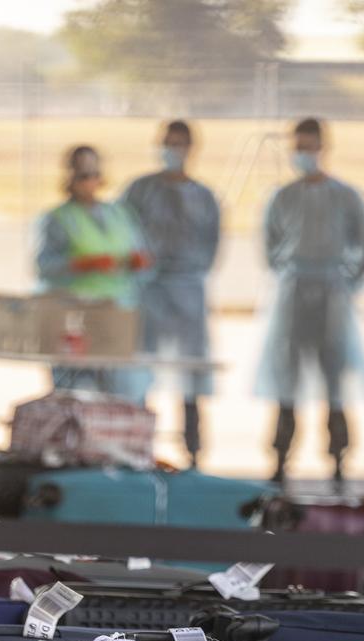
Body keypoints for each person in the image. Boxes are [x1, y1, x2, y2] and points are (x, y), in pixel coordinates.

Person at [256, 117, 364, 485]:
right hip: (292, 298)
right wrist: (296, 276)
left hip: (333, 297)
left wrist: (342, 284)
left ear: (324, 148)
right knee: (286, 381)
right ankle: (280, 459)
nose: (304, 155)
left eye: (310, 147)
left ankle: (339, 459)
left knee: (335, 382)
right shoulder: (282, 197)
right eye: (299, 147)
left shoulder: (347, 197)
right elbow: (271, 248)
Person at [122, 120, 220, 467]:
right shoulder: (140, 190)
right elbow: (124, 234)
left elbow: (211, 246)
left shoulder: (204, 197)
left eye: (180, 144)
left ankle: (193, 451)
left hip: (188, 293)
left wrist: (187, 275)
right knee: (139, 372)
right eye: (168, 143)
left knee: (190, 375)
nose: (173, 150)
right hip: (147, 292)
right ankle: (135, 447)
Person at [35, 144, 150, 392]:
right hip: (76, 321)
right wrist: (80, 265)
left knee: (122, 392)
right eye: (82, 175)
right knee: (78, 392)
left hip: (117, 318)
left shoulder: (119, 214)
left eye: (94, 174)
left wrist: (137, 263)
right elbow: (43, 267)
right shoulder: (59, 219)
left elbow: (141, 258)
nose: (89, 182)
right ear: (69, 177)